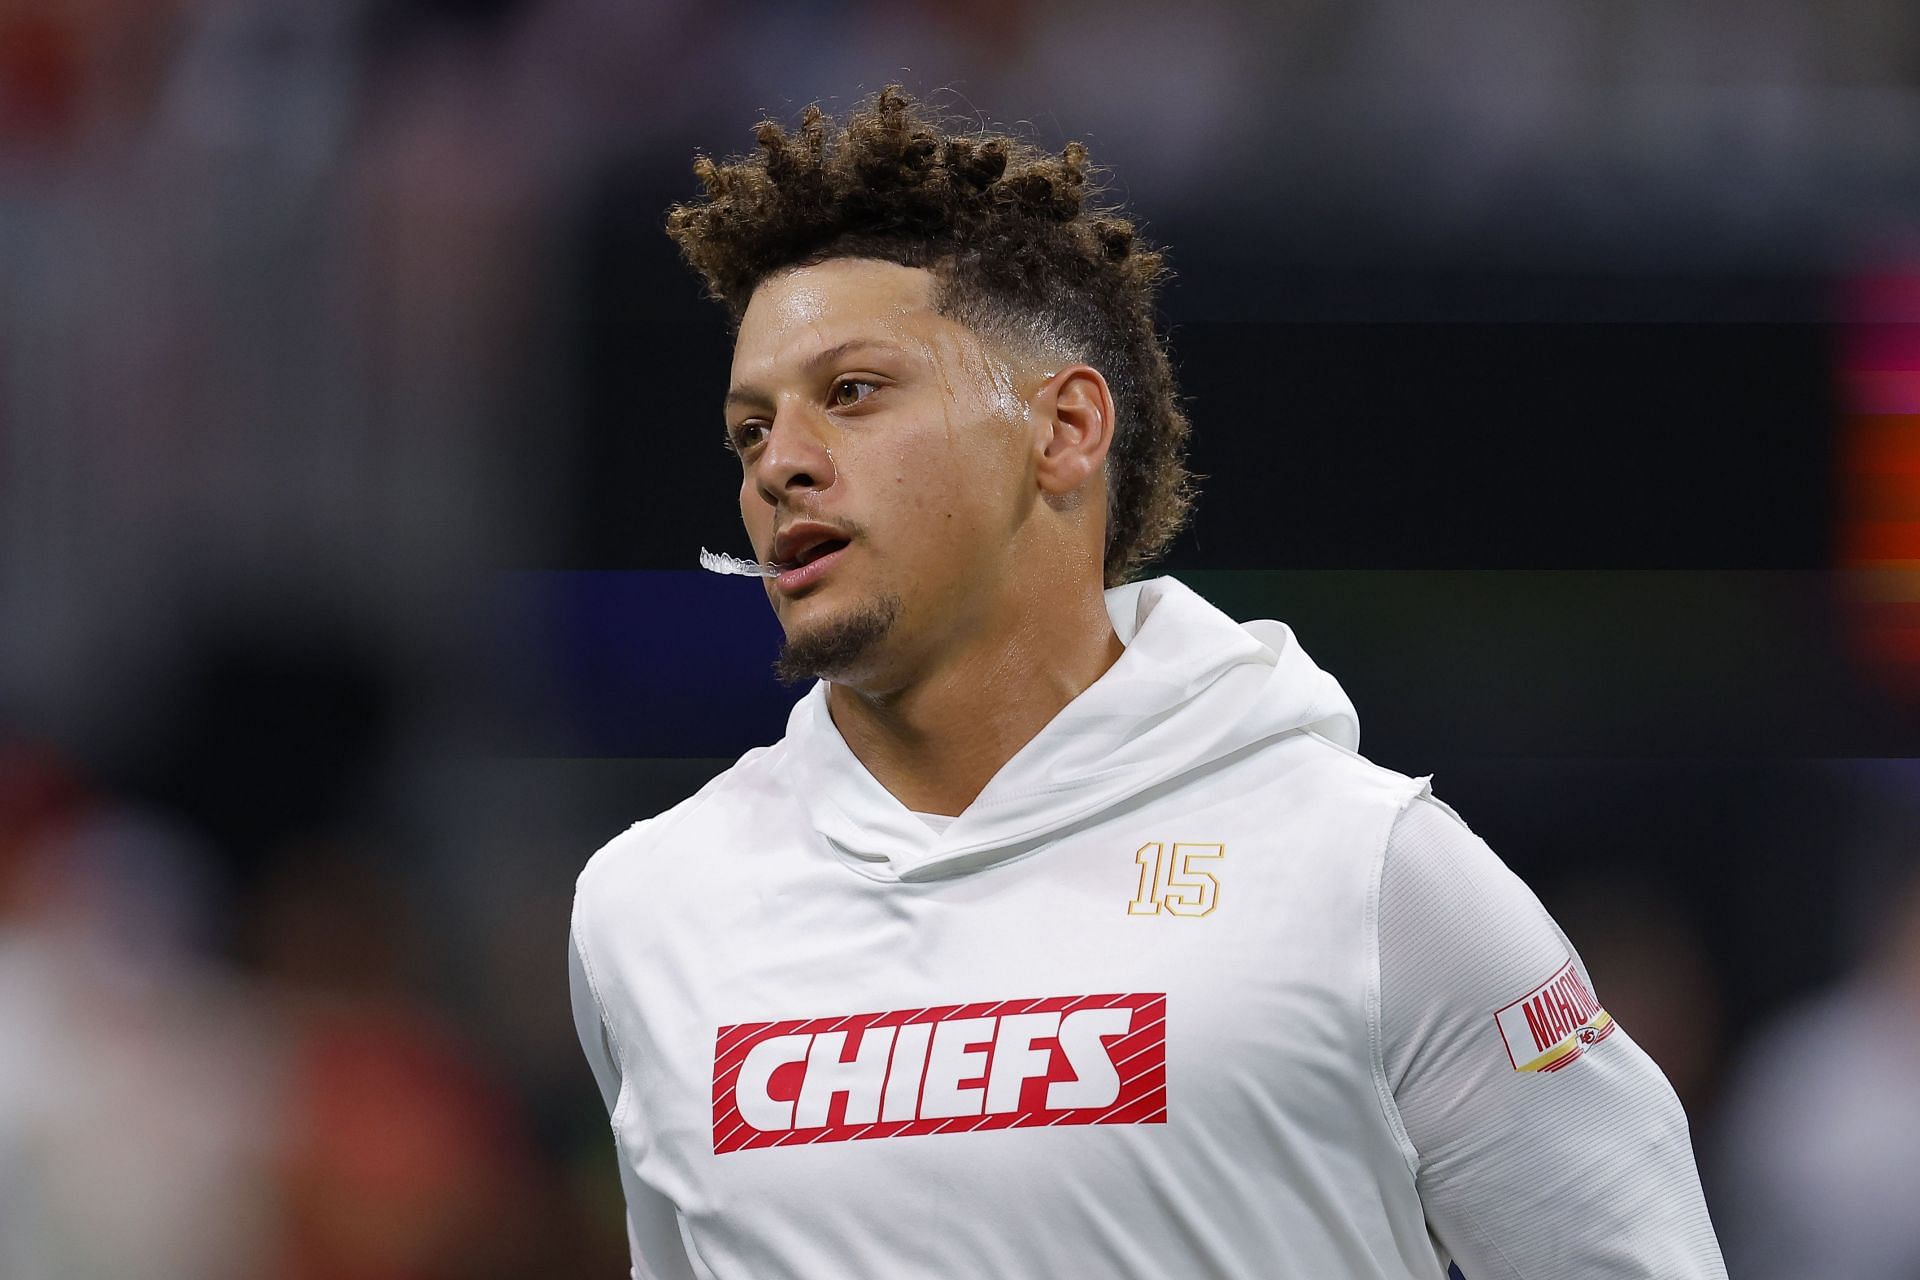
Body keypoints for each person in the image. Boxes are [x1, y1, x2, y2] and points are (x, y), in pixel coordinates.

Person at [567, 86, 1726, 1279]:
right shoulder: (647, 910)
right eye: (750, 430)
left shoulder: (1372, 875)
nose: (783, 466)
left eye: (853, 392)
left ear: (1065, 429)